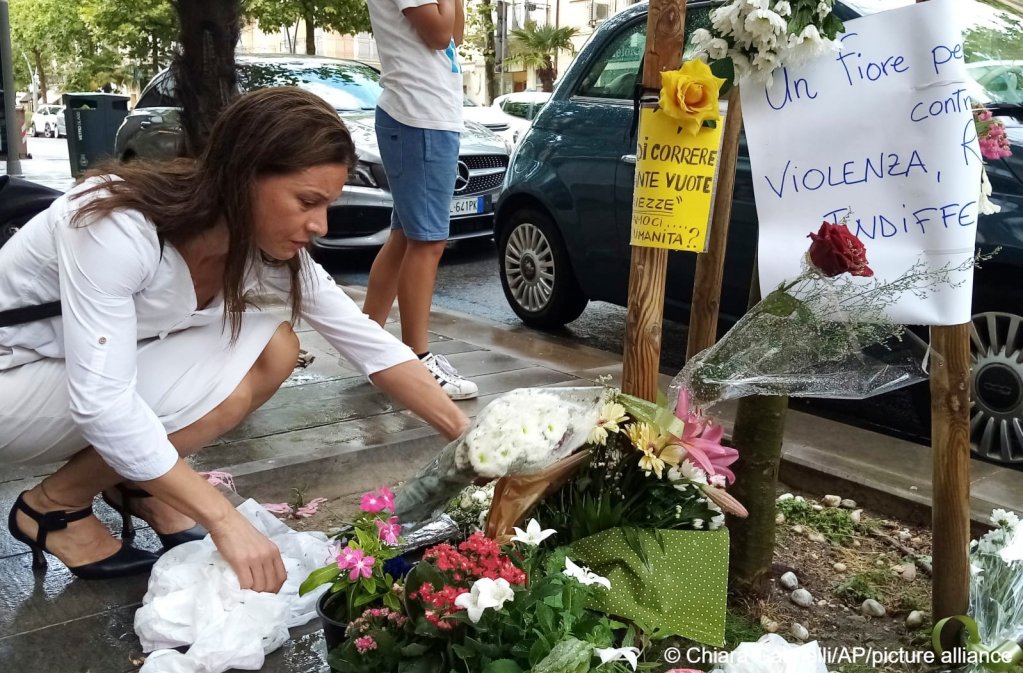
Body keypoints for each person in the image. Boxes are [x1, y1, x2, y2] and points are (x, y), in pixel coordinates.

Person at [0, 87, 470, 592]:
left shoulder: (265, 252)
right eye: (307, 201)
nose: (319, 226)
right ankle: (53, 508)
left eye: (327, 205)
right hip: (12, 381)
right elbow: (103, 404)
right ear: (242, 176)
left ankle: (139, 480)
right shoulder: (116, 226)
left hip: (66, 370)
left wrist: (474, 444)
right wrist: (225, 520)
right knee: (216, 380)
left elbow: (371, 345)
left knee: (274, 345)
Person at [362, 0, 479, 400]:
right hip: (418, 117)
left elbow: (456, 34)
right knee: (427, 242)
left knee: (404, 239)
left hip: (425, 117)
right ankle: (418, 359)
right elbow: (439, 34)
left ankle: (369, 347)